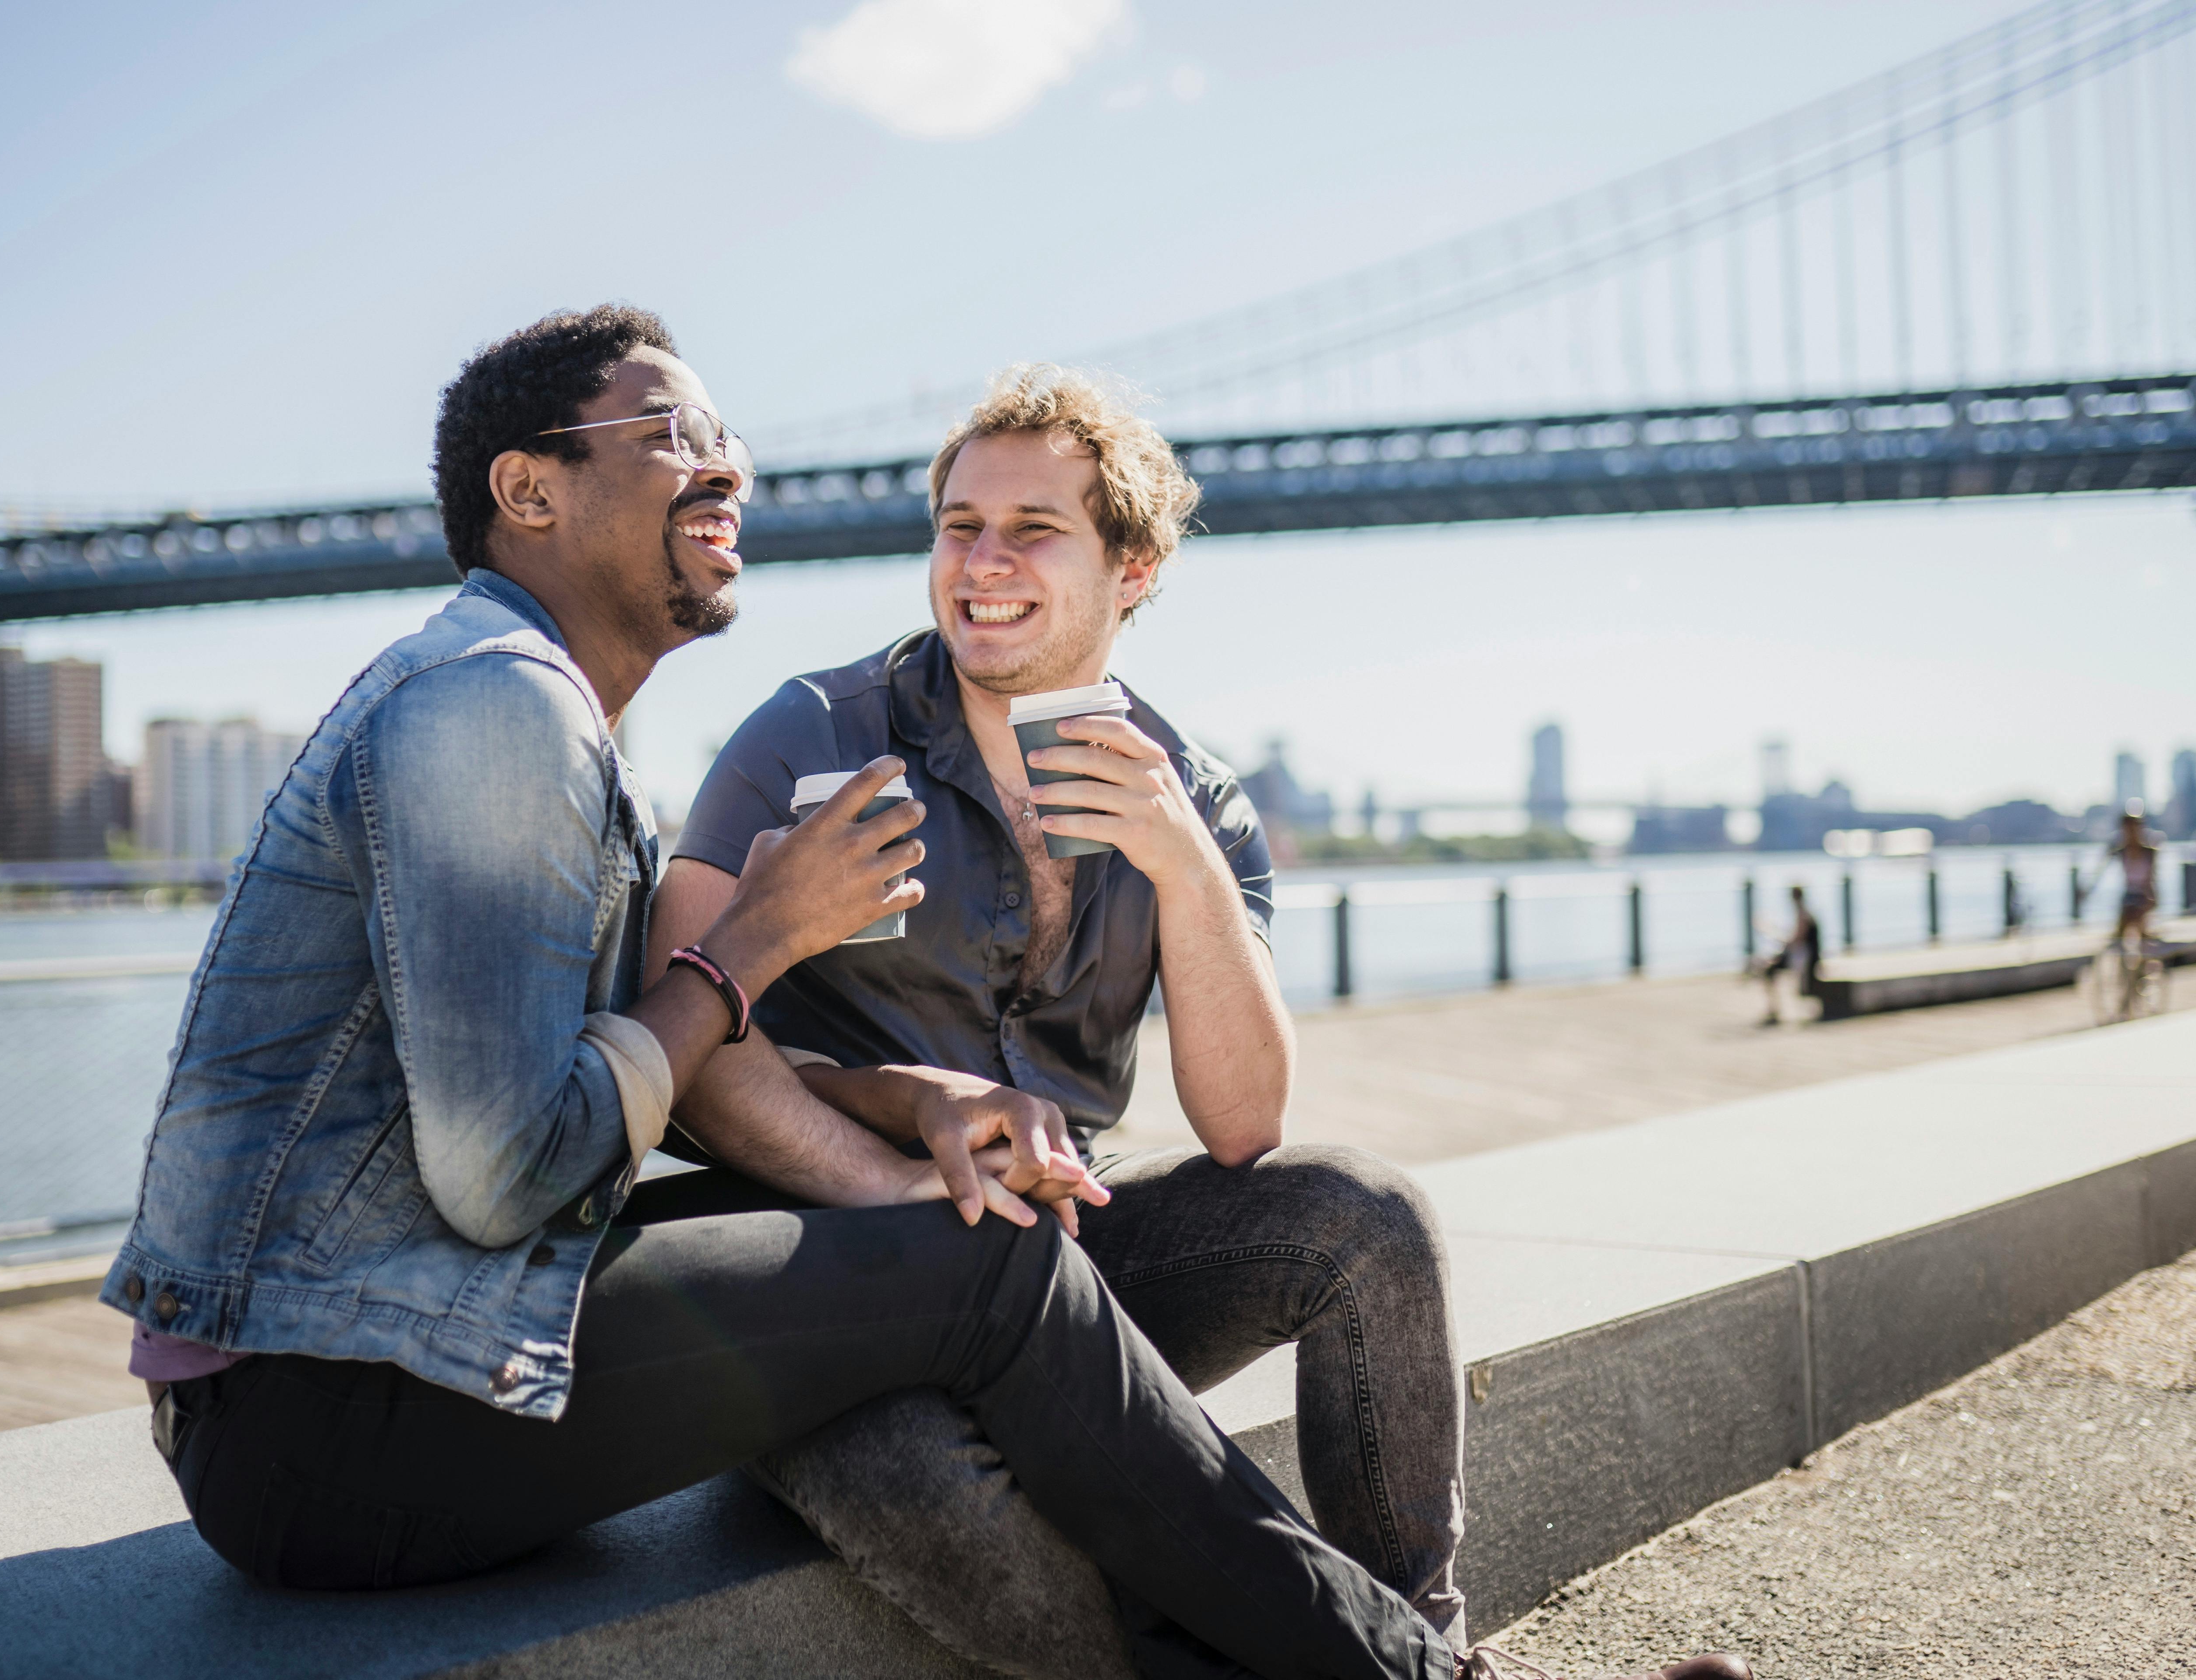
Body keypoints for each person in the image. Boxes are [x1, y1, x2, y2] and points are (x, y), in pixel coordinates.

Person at [95, 307, 1735, 1680]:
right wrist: (765, 969)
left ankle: (1392, 1651)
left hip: (447, 1338)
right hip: (341, 1412)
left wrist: (931, 1088)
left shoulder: (539, 709)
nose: (729, 463)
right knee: (993, 1278)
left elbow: (556, 1127)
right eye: (673, 434)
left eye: (1035, 528)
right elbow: (517, 1161)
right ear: (531, 490)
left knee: (1276, 1223)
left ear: (1131, 568)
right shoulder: (516, 708)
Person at [652, 366, 1745, 1680]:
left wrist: (1182, 864)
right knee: (908, 1471)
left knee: (1361, 1215)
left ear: (1137, 566)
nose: (978, 563)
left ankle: (1425, 1638)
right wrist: (888, 1181)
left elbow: (1243, 1118)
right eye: (958, 525)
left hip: (1060, 1271)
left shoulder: (1196, 796)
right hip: (824, 1286)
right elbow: (687, 1035)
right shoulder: (812, 733)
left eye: (1032, 529)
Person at [1757, 884, 1821, 1027]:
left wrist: (1771, 931)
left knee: (1769, 971)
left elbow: (1795, 942)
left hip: (1804, 959)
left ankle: (1775, 1010)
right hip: (1804, 957)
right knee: (1769, 969)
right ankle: (1775, 1009)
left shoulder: (1803, 915)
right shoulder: (1805, 913)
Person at [2097, 804, 2161, 948]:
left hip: (2146, 894)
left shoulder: (2150, 852)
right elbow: (2100, 870)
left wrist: (2151, 899)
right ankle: (2127, 961)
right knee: (2122, 930)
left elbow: (2152, 879)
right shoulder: (2121, 851)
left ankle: (2144, 957)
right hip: (2130, 895)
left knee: (2137, 921)